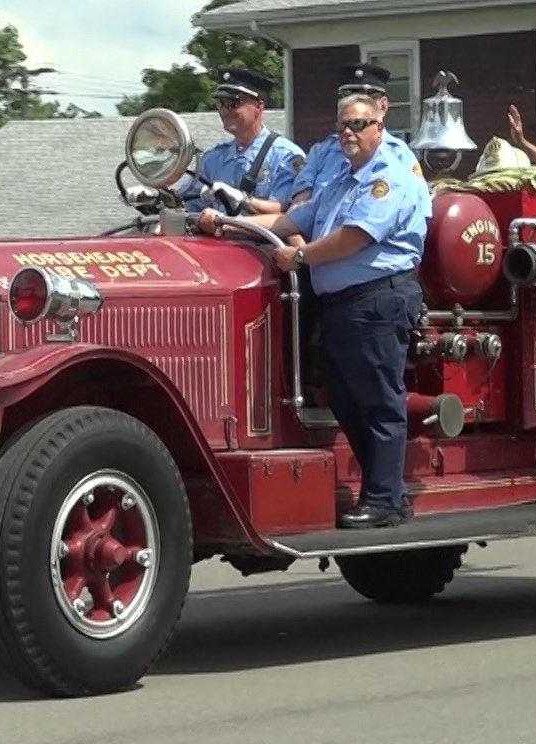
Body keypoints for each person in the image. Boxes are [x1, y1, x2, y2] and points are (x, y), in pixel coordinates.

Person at [198, 91, 430, 529]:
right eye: (343, 125)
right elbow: (290, 222)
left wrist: (300, 259)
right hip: (343, 304)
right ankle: (390, 496)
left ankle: (381, 500)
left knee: (378, 401)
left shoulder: (389, 177)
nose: (348, 132)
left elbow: (354, 238)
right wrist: (225, 223)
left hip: (378, 297)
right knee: (344, 397)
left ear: (380, 127)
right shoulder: (340, 180)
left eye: (359, 124)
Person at [292, 63, 426, 206]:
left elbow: (419, 206)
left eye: (365, 101)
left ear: (384, 106)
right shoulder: (322, 153)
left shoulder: (399, 154)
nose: (354, 107)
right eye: (346, 99)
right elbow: (299, 207)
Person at [181, 65, 305, 217]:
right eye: (220, 103)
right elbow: (186, 203)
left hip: (262, 239)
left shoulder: (285, 157)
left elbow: (289, 211)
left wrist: (243, 200)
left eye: (233, 104)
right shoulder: (213, 159)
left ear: (259, 106)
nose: (225, 111)